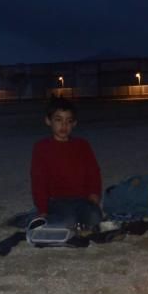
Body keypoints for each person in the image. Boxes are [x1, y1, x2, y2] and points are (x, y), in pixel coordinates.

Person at [30, 97, 103, 232]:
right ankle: (32, 219)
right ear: (48, 121)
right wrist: (42, 210)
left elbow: (93, 172)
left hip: (81, 199)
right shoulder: (41, 147)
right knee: (67, 222)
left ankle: (73, 219)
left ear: (74, 123)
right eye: (58, 120)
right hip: (56, 201)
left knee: (95, 218)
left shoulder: (82, 145)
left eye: (68, 121)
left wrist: (94, 194)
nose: (64, 126)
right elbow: (38, 181)